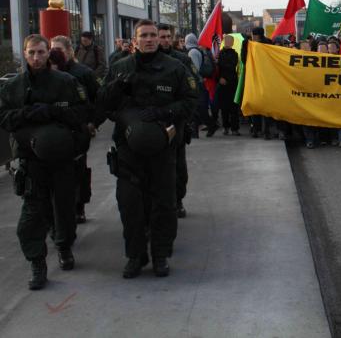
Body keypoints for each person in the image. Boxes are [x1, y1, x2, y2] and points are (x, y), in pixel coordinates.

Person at [98, 19, 196, 279]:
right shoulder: (119, 68)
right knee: (130, 205)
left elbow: (191, 101)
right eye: (144, 35)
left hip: (163, 148)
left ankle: (161, 255)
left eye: (154, 35)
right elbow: (103, 105)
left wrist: (163, 113)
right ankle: (135, 256)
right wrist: (119, 93)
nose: (150, 39)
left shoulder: (175, 68)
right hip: (128, 150)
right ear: (135, 40)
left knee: (164, 204)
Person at [0, 34, 90, 290]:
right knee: (31, 216)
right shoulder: (13, 87)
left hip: (62, 159)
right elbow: (4, 118)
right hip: (31, 160)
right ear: (25, 54)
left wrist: (53, 113)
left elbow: (82, 113)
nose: (36, 58)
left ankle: (64, 247)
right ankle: (37, 263)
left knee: (64, 208)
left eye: (41, 52)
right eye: (32, 53)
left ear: (47, 53)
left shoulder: (66, 82)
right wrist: (27, 114)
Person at [50, 35, 100, 224]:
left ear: (70, 51)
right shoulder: (48, 72)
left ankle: (79, 206)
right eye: (52, 49)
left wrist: (93, 122)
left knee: (78, 170)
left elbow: (97, 98)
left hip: (78, 129)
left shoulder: (83, 73)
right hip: (56, 131)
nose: (55, 53)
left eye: (59, 49)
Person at [158, 24, 200, 219]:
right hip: (152, 123)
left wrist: (184, 116)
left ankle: (177, 200)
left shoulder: (182, 60)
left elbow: (192, 91)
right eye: (161, 37)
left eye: (167, 37)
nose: (164, 40)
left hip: (176, 122)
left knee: (177, 165)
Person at [185, 33, 218, 137]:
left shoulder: (193, 52)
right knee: (197, 108)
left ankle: (211, 125)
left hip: (197, 84)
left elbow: (195, 69)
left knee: (200, 108)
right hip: (198, 83)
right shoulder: (196, 50)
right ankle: (196, 131)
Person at [216, 35, 241, 136]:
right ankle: (226, 127)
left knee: (234, 107)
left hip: (232, 83)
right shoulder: (219, 53)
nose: (228, 42)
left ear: (232, 42)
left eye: (230, 41)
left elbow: (232, 66)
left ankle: (235, 128)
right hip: (222, 83)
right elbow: (217, 69)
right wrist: (219, 79)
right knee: (224, 108)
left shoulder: (234, 54)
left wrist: (220, 62)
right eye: (226, 40)